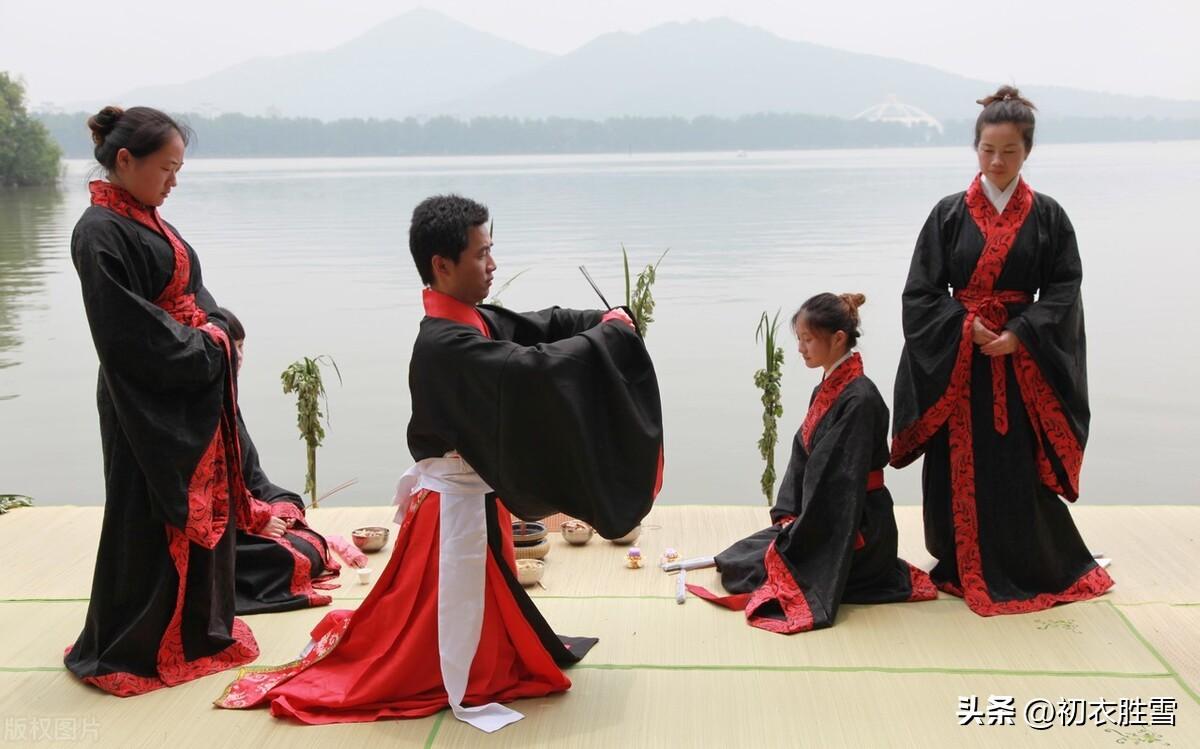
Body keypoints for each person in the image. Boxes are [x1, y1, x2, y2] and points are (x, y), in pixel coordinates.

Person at [216, 195, 663, 732]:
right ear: (442, 266)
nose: (492, 264)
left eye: (491, 251)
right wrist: (608, 338)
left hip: (472, 505)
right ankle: (459, 671)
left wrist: (598, 319)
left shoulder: (470, 320)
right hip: (451, 515)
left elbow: (538, 326)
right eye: (481, 255)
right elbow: (533, 369)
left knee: (462, 609)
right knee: (431, 625)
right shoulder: (444, 344)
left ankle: (484, 655)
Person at [890, 86, 1113, 616]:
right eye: (987, 150)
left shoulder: (1048, 216)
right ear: (976, 147)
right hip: (961, 363)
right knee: (954, 464)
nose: (996, 161)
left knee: (1016, 462)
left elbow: (1064, 287)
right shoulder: (948, 214)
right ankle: (959, 561)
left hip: (1018, 364)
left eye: (1009, 151)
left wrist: (1022, 332)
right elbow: (921, 292)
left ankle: (1028, 562)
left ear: (1027, 151)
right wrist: (964, 326)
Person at [65, 106, 258, 696]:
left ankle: (198, 628)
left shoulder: (148, 219)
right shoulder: (98, 230)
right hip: (139, 394)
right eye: (167, 168)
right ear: (125, 160)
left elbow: (192, 291)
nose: (173, 181)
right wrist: (208, 345)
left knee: (196, 514)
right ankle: (136, 642)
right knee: (144, 515)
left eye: (178, 169)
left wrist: (224, 327)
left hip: (182, 384)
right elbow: (127, 332)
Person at [690, 294, 936, 632]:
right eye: (800, 340)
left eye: (808, 340)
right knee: (738, 558)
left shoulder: (860, 398)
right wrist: (791, 515)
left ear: (838, 338)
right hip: (828, 513)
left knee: (750, 570)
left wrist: (805, 528)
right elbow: (803, 455)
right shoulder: (831, 388)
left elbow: (838, 480)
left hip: (856, 524)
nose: (801, 349)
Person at [219, 307, 340, 615]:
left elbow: (253, 478)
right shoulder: (201, 409)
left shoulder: (228, 399)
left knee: (293, 511)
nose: (239, 356)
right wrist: (256, 520)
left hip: (246, 511)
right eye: (233, 347)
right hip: (223, 529)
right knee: (295, 555)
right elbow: (211, 491)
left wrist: (274, 509)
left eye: (243, 347)